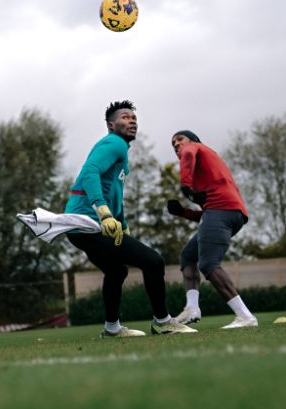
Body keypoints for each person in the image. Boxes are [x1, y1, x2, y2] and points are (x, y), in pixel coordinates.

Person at [64, 100, 196, 337]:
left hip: (81, 227)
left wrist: (121, 224)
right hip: (88, 223)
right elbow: (90, 173)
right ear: (111, 125)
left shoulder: (119, 150)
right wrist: (102, 211)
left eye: (134, 118)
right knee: (153, 261)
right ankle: (162, 321)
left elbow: (115, 192)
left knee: (116, 271)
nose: (132, 121)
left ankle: (112, 328)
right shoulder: (114, 143)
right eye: (125, 117)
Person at [166, 131, 258, 328]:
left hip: (222, 210)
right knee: (188, 256)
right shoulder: (209, 163)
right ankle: (192, 308)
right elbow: (208, 217)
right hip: (231, 213)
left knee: (208, 264)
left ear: (193, 140)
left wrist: (185, 186)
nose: (176, 144)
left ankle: (245, 317)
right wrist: (183, 212)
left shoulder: (193, 149)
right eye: (173, 143)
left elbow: (188, 154)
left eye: (180, 139)